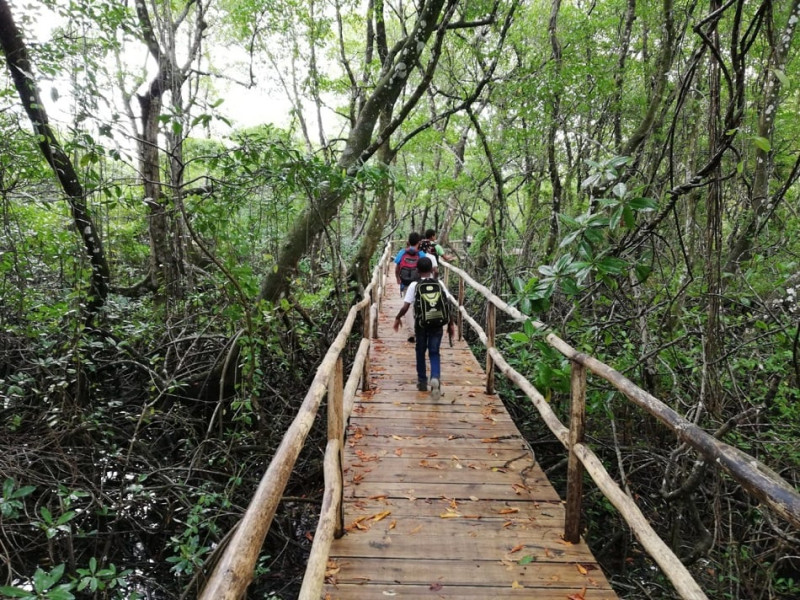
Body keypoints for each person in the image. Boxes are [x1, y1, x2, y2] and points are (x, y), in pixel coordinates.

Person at [393, 257, 454, 400]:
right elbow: (447, 304)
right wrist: (450, 324)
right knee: (434, 352)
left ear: (417, 270)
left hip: (421, 325)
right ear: (432, 270)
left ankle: (422, 381)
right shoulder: (439, 283)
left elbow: (406, 306)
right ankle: (435, 377)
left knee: (420, 351)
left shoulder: (414, 285)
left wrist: (397, 318)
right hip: (438, 324)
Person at [394, 232, 438, 342]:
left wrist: (397, 278)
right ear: (419, 242)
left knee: (407, 306)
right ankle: (421, 328)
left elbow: (397, 267)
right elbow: (430, 268)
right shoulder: (421, 254)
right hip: (419, 284)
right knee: (419, 304)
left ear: (408, 242)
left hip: (406, 284)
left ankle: (411, 332)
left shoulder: (402, 252)